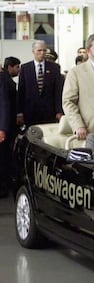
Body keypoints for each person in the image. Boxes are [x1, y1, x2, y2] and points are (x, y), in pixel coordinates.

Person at [17, 40, 64, 127]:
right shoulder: (25, 68)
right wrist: (19, 112)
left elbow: (58, 91)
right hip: (30, 112)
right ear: (33, 51)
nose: (42, 53)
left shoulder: (54, 68)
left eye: (44, 50)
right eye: (39, 50)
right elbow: (21, 91)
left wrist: (59, 111)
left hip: (49, 112)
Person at [0, 56, 20, 198]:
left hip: (5, 127)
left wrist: (3, 129)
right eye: (16, 67)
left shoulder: (3, 80)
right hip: (8, 126)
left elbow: (5, 106)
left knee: (3, 157)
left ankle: (3, 187)